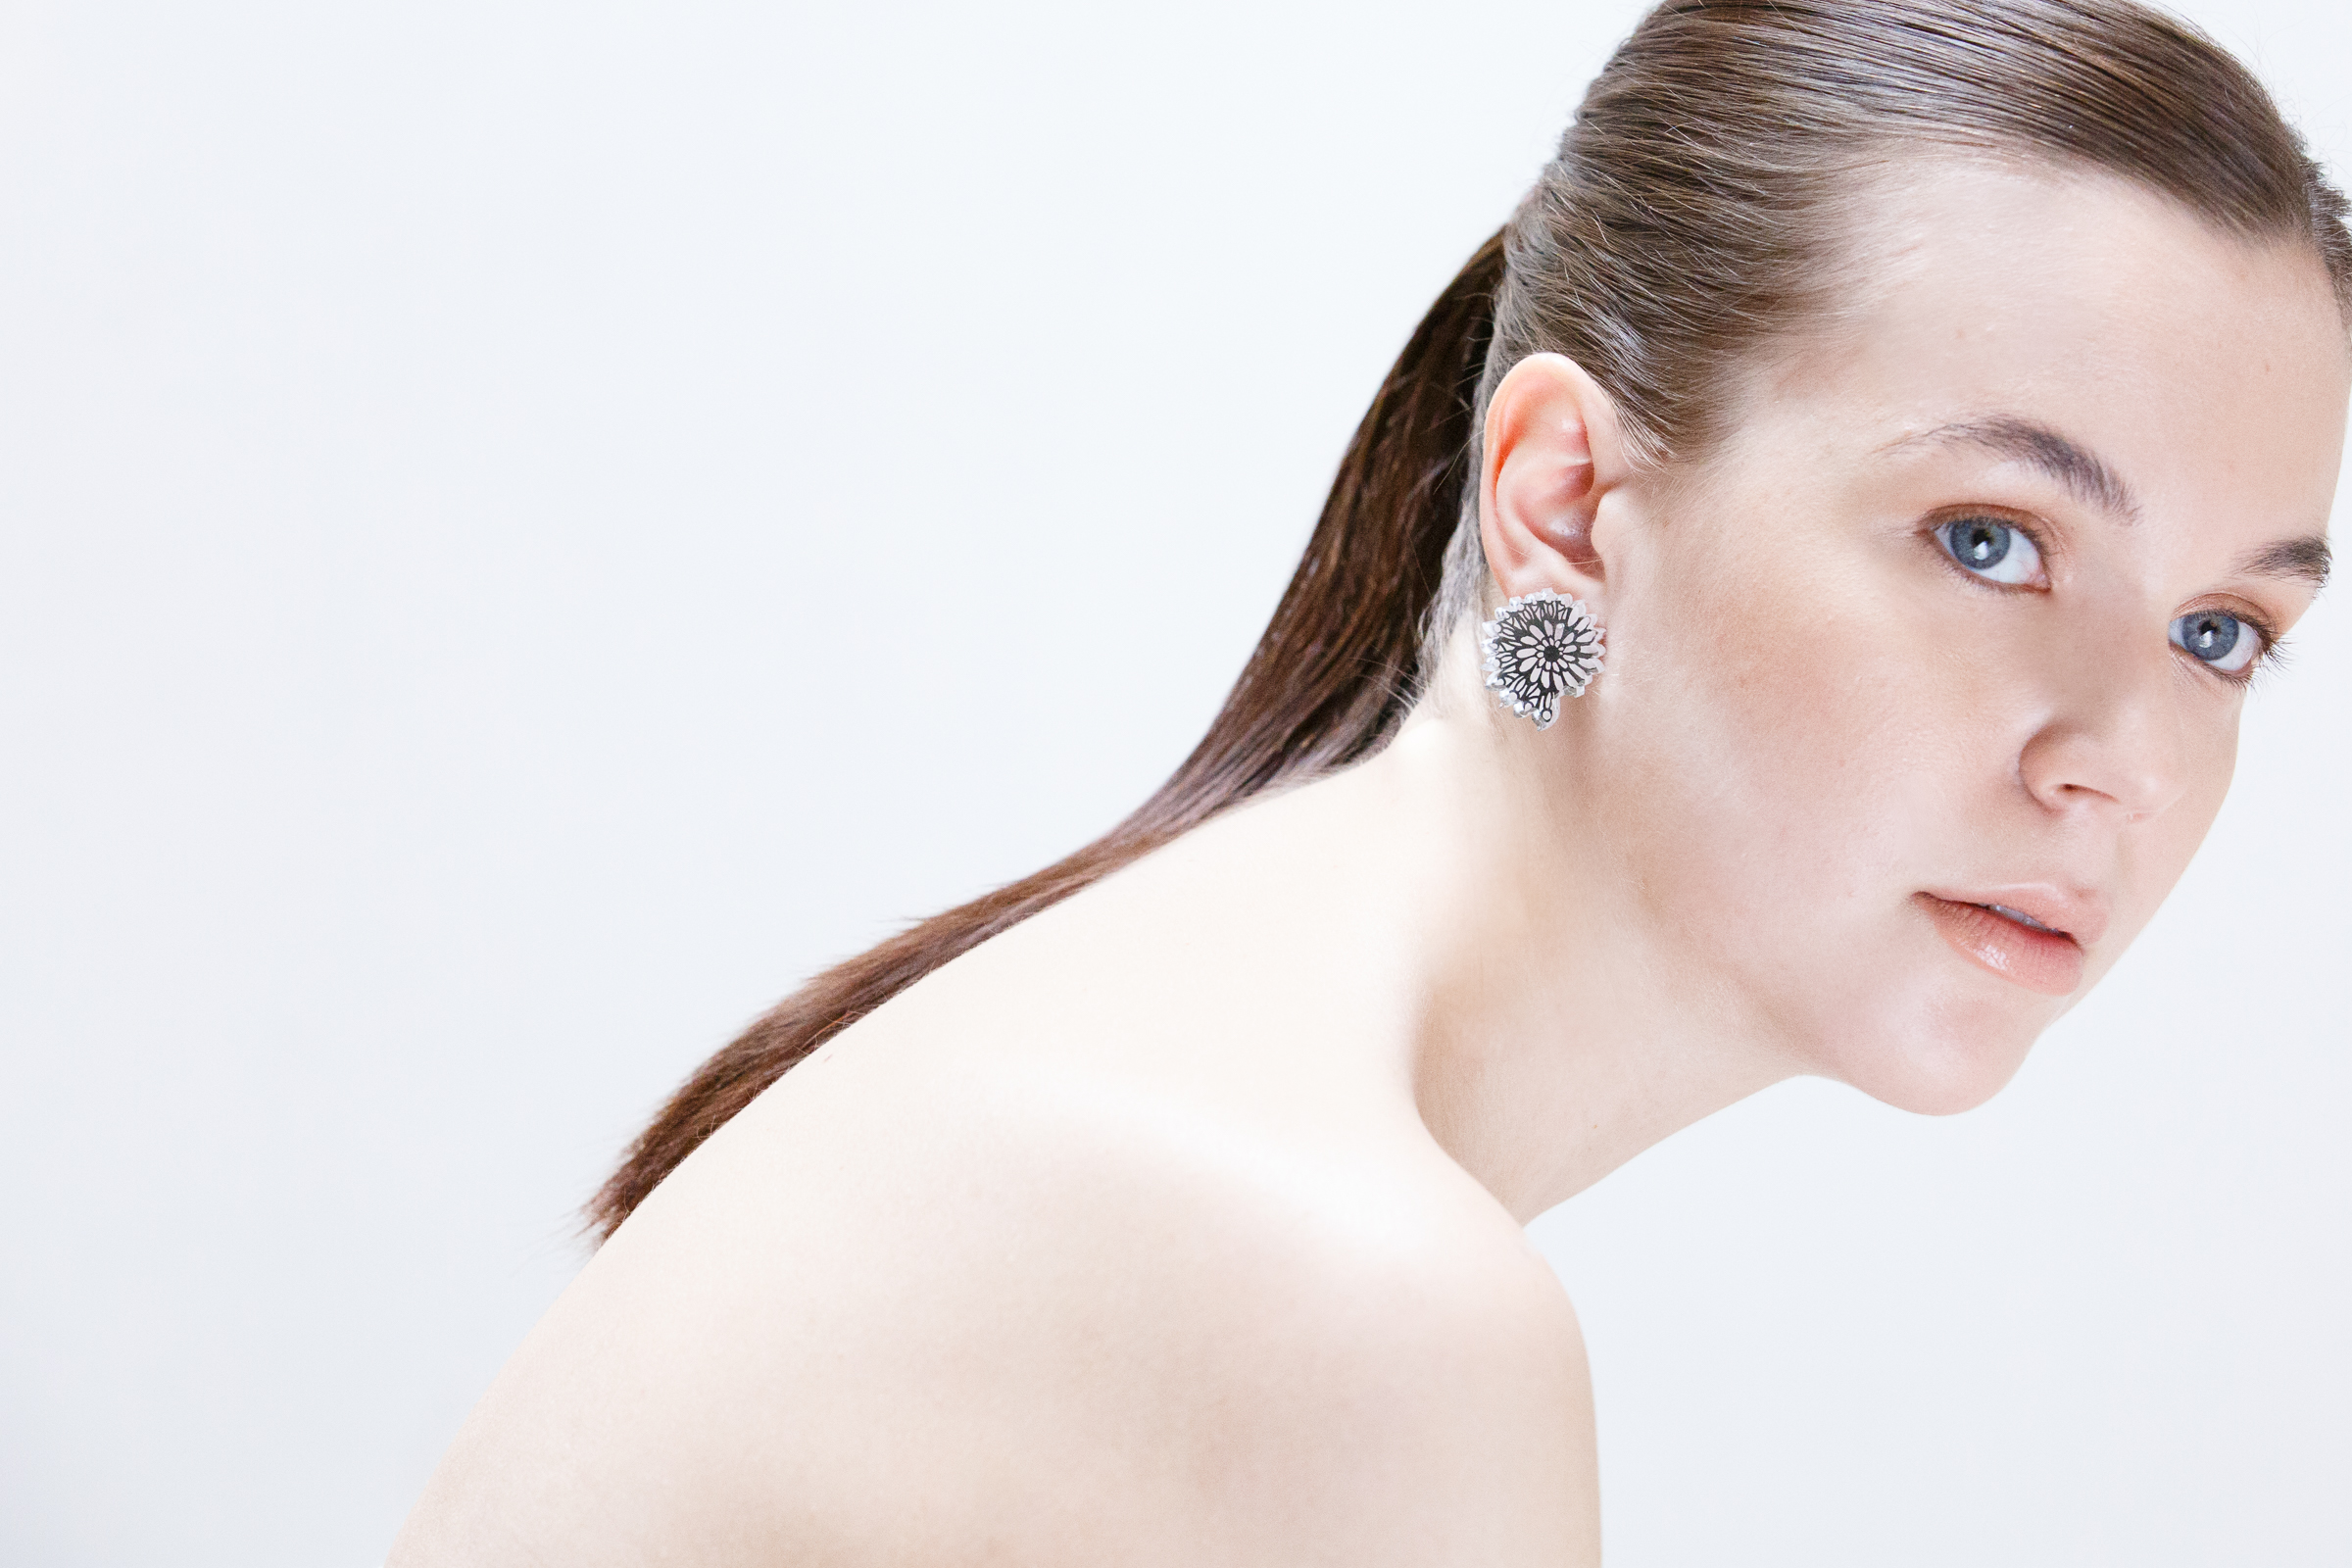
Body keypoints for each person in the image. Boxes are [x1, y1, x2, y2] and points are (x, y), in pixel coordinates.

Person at [390, 1, 2350, 1561]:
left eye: (2221, 632)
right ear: (1565, 502)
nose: (2122, 761)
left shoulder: (1204, 1015)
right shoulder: (1351, 1288)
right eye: (1991, 540)